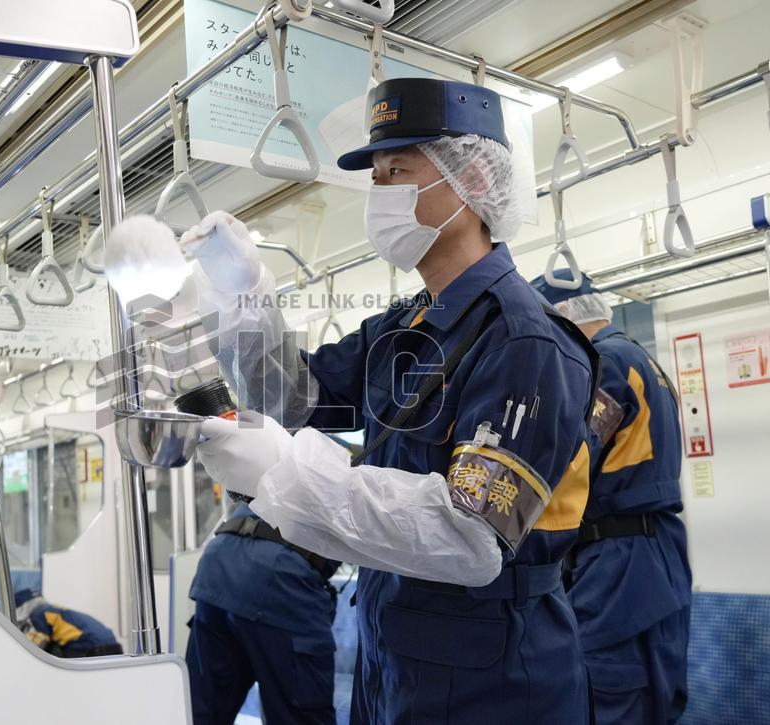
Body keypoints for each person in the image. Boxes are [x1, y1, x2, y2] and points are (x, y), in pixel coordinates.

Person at [179, 77, 600, 723]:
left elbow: (470, 535)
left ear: (475, 181)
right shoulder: (402, 329)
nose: (379, 195)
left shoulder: (526, 341)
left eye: (396, 172)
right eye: (374, 177)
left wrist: (284, 474)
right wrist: (243, 296)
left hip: (494, 679)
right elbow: (294, 400)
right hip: (395, 655)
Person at [531, 270, 692, 724]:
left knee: (609, 686)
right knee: (654, 686)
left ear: (561, 319)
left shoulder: (602, 362)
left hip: (618, 559)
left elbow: (572, 456)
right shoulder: (643, 359)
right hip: (656, 551)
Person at [185, 500, 340, 725]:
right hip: (282, 575)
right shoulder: (365, 468)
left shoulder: (285, 466)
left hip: (219, 561)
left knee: (202, 713)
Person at [15, 588, 123, 658]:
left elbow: (37, 646)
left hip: (90, 647)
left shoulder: (37, 615)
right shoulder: (52, 609)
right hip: (111, 644)